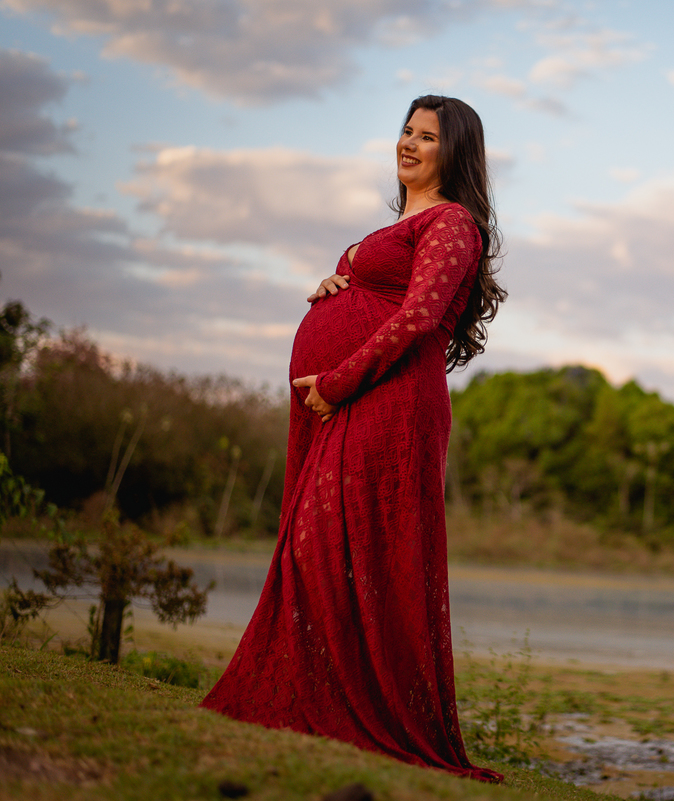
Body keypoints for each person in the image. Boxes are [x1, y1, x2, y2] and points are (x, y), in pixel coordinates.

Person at [201, 95, 505, 783]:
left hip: (388, 401)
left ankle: (354, 705)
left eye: (427, 137)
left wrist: (336, 379)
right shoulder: (394, 225)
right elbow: (378, 293)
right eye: (406, 130)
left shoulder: (453, 222)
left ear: (453, 153)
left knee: (346, 545)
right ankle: (317, 695)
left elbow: (418, 320)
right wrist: (338, 283)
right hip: (348, 397)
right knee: (320, 546)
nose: (409, 144)